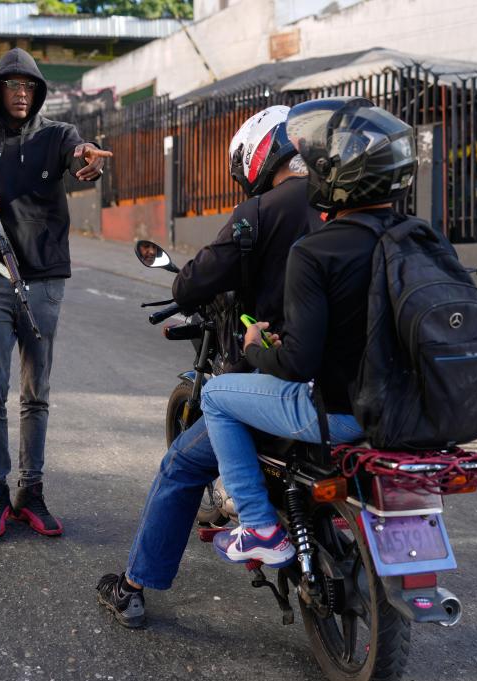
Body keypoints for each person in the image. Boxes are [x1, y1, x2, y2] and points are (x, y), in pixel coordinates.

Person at [96, 97, 417, 629]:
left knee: (182, 463)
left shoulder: (263, 211)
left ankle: (135, 584)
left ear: (258, 158)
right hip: (387, 395)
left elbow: (193, 282)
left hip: (302, 387)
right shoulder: (373, 216)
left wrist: (247, 336)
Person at [0, 48, 112, 540]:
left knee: (36, 393)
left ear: (38, 93)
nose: (21, 93)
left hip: (44, 280)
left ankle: (30, 492)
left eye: (29, 86)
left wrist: (89, 161)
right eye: (12, 85)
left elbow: (80, 155)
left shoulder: (58, 135)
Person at [171, 105, 323, 368]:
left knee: (215, 391)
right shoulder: (339, 197)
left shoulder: (257, 211)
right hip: (347, 362)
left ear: (256, 152)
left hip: (282, 360)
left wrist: (185, 291)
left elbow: (192, 281)